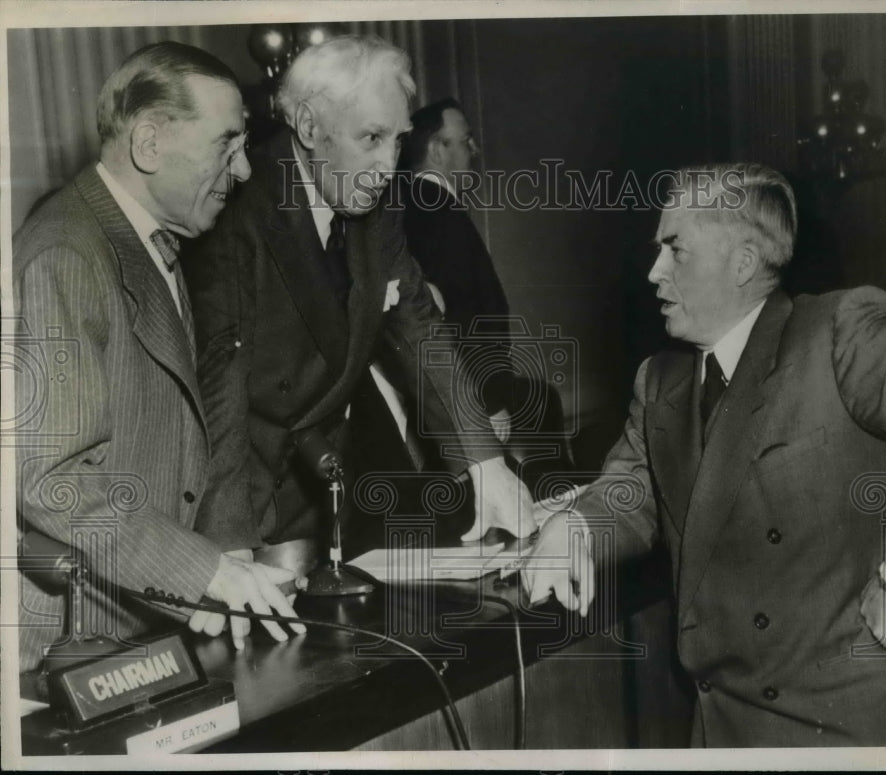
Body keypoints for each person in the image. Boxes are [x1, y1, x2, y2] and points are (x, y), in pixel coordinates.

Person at [523, 163, 886, 746]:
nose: (654, 272)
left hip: (862, 727)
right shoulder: (660, 381)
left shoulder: (839, 331)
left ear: (741, 262)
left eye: (675, 249)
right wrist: (577, 525)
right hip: (729, 730)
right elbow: (633, 492)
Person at [184, 36, 532, 566]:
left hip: (324, 486)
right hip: (242, 488)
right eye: (370, 137)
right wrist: (227, 543)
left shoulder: (374, 198)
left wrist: (487, 465)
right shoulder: (240, 203)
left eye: (397, 141)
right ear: (307, 127)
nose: (387, 165)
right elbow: (220, 384)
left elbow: (418, 322)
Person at [13, 42, 304, 674]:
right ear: (148, 143)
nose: (246, 169)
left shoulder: (150, 243)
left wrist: (201, 580)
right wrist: (202, 570)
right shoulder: (64, 250)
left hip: (135, 620)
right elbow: (53, 480)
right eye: (226, 143)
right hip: (69, 644)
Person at [396, 98, 573, 494]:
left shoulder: (407, 208)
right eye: (466, 140)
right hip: (470, 397)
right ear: (438, 149)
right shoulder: (439, 213)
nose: (474, 150)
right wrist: (489, 401)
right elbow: (463, 318)